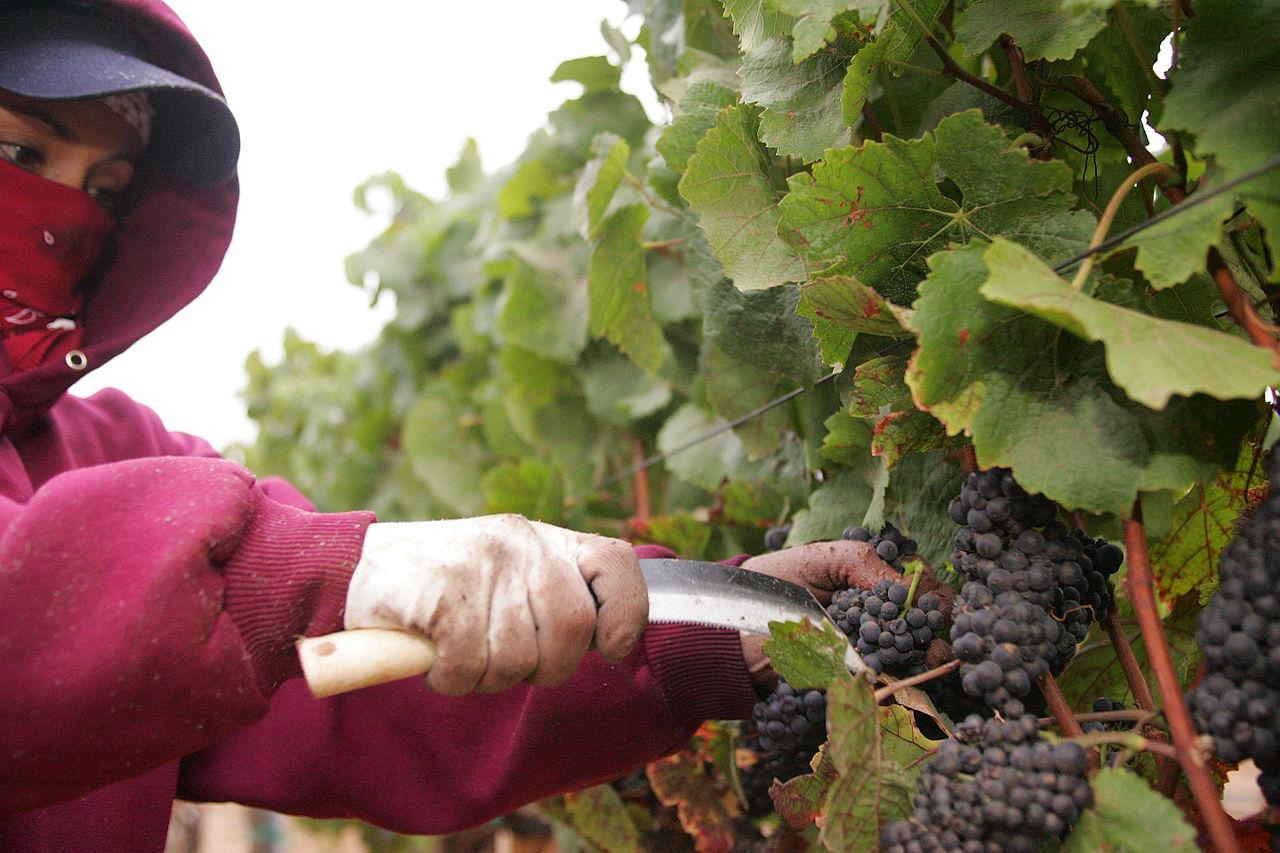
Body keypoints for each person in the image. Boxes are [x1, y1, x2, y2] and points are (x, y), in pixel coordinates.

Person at [0, 2, 897, 850]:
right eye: (21, 151)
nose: (69, 221)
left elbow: (349, 684)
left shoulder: (117, 450)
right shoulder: (153, 507)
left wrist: (701, 621)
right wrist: (309, 576)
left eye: (107, 190)